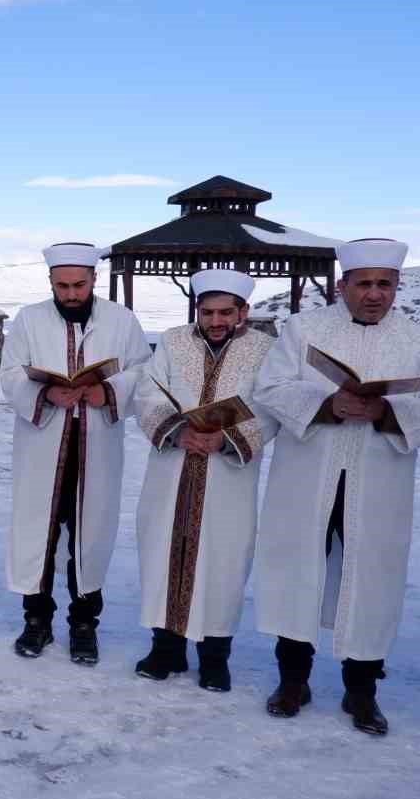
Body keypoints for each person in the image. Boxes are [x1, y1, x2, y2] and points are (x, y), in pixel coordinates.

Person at [253, 238, 420, 735]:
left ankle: (361, 692)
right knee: (296, 569)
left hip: (378, 479)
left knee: (373, 578)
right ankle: (292, 680)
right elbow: (271, 389)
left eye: (384, 284)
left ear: (396, 287)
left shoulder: (418, 340)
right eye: (364, 283)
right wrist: (328, 406)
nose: (374, 294)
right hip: (309, 475)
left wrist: (386, 410)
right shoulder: (303, 329)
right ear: (342, 284)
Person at [0, 242, 152, 664]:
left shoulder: (122, 321)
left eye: (79, 286)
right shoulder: (29, 320)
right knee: (39, 535)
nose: (71, 294)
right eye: (62, 286)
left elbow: (143, 371)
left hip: (97, 448)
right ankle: (36, 621)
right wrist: (46, 391)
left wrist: (107, 390)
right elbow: (9, 374)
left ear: (94, 281)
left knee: (91, 535)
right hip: (43, 447)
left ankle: (84, 624)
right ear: (50, 282)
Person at [131, 269, 274, 691]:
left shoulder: (267, 351)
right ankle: (166, 648)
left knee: (225, 560)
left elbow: (270, 406)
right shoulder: (173, 342)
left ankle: (215, 657)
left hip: (229, 477)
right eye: (208, 311)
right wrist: (178, 430)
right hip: (173, 468)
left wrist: (228, 439)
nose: (216, 321)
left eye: (226, 312)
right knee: (162, 552)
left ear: (244, 311)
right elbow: (148, 392)